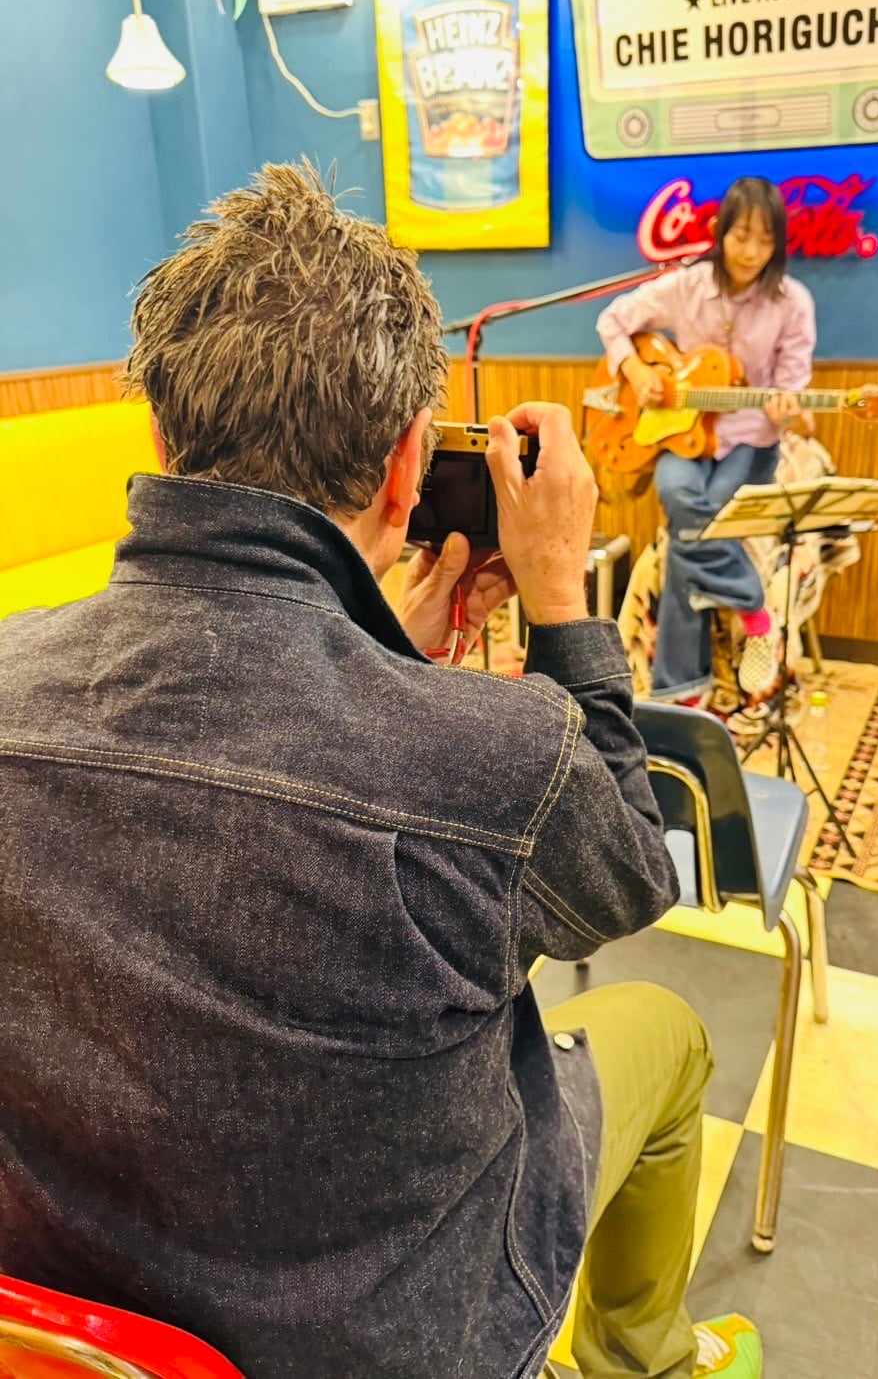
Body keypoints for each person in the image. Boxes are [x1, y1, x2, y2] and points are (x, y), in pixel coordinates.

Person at [0, 163, 761, 1379]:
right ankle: (641, 1354)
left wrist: (379, 655)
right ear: (410, 464)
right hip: (402, 1339)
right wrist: (562, 609)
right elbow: (627, 876)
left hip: (77, 1331)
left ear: (159, 436)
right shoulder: (495, 756)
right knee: (662, 1032)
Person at [596, 176, 817, 713]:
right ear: (720, 232)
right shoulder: (686, 286)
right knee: (679, 496)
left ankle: (681, 691)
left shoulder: (792, 302)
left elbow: (793, 386)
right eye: (741, 236)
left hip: (751, 440)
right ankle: (754, 610)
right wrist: (636, 372)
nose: (751, 252)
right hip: (686, 434)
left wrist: (790, 410)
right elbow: (613, 320)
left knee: (693, 530)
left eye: (765, 240)